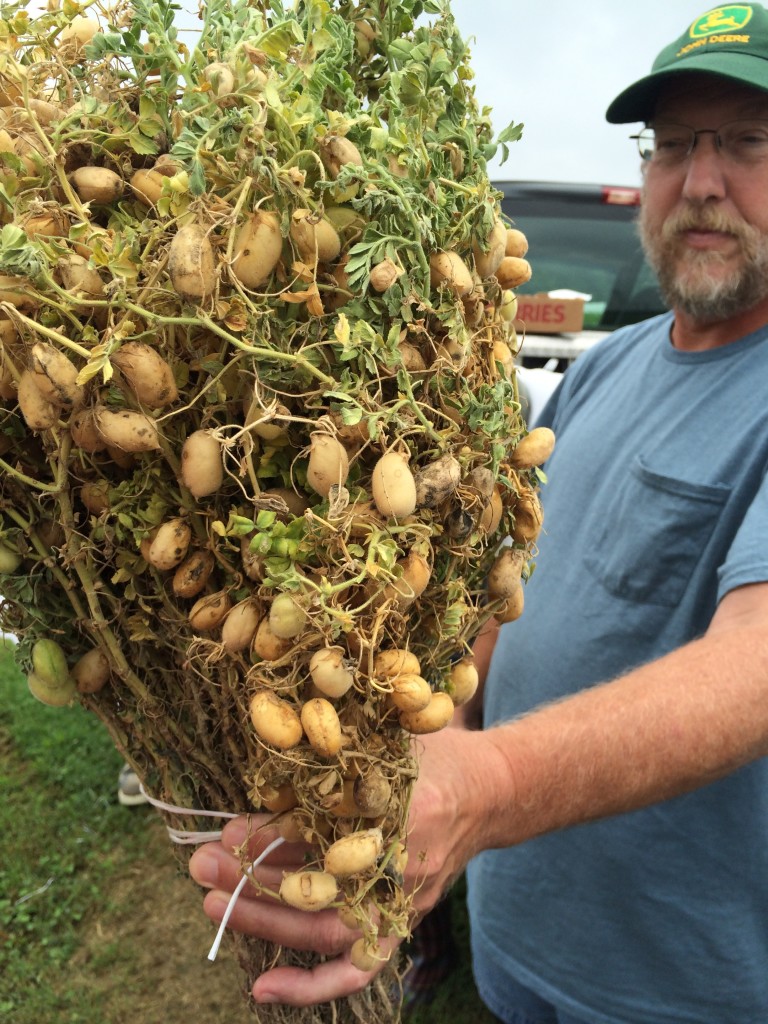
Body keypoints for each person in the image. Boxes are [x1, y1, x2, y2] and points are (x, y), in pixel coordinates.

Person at [188, 6, 768, 1020]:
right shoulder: (616, 364)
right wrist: (436, 734)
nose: (702, 181)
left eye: (748, 144)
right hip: (518, 952)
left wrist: (480, 785)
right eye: (675, 146)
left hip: (679, 989)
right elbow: (511, 583)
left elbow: (753, 665)